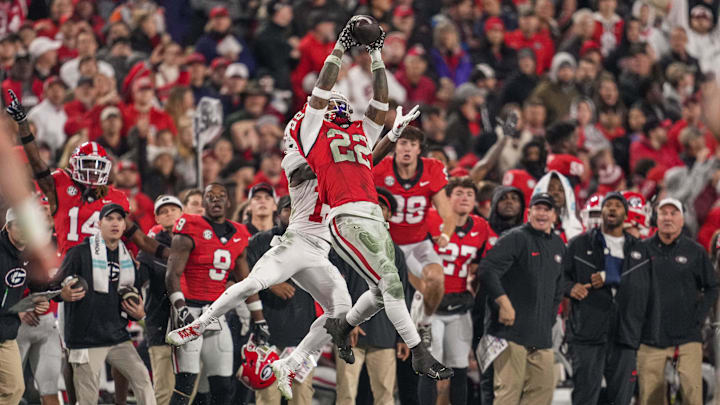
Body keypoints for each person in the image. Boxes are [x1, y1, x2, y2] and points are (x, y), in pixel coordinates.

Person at [285, 16, 451, 379]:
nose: (340, 104)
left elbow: (381, 100)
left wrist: (377, 55)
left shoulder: (359, 133)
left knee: (381, 289)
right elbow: (320, 92)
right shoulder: (312, 133)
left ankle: (343, 325)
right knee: (391, 282)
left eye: (343, 102)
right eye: (335, 102)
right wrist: (341, 46)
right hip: (343, 214)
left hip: (371, 212)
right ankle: (420, 352)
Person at [4, 89, 167, 259]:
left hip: (104, 266)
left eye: (97, 165)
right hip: (69, 265)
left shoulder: (115, 197)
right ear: (75, 165)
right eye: (88, 164)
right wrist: (23, 123)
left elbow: (140, 238)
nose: (93, 170)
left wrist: (169, 254)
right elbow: (37, 162)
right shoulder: (60, 184)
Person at [164, 183, 268, 405]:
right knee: (186, 383)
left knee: (222, 386)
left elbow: (246, 282)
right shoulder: (190, 225)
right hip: (189, 312)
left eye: (221, 196)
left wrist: (260, 320)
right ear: (204, 202)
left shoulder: (239, 233)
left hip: (215, 313)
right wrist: (180, 309)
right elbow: (171, 274)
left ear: (228, 202)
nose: (216, 200)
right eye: (210, 196)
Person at [56, 203, 154, 405]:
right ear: (99, 224)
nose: (116, 223)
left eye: (120, 219)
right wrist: (62, 293)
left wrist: (140, 311)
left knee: (143, 380)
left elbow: (134, 293)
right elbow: (54, 286)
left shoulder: (127, 258)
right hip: (85, 339)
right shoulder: (79, 253)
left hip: (117, 336)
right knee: (87, 400)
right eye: (110, 219)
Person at [563, 192, 651, 405]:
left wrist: (608, 276)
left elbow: (648, 289)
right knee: (585, 397)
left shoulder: (641, 249)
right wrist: (570, 287)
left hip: (625, 334)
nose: (612, 209)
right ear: (601, 211)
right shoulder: (578, 244)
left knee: (621, 399)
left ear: (626, 214)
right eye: (608, 205)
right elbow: (558, 278)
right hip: (588, 333)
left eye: (617, 206)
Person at [479, 192, 566, 405]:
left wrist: (549, 318)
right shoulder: (515, 238)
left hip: (541, 336)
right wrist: (504, 303)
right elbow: (487, 270)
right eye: (537, 208)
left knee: (543, 392)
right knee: (508, 394)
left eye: (547, 209)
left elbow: (559, 287)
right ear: (529, 213)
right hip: (510, 335)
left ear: (555, 216)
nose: (541, 213)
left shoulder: (558, 245)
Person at [372, 125, 455, 344]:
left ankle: (425, 322)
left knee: (436, 279)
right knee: (410, 288)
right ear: (394, 147)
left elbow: (448, 213)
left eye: (413, 144)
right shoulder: (380, 169)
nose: (407, 148)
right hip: (386, 245)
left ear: (420, 149)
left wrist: (445, 236)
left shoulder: (432, 169)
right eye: (402, 143)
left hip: (418, 243)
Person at [333, 186, 412, 405]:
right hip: (351, 334)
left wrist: (401, 336)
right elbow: (334, 287)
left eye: (382, 206)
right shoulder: (344, 244)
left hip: (385, 335)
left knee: (385, 397)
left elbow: (402, 296)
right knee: (346, 396)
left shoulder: (396, 253)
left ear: (389, 215)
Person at [637, 198, 719, 405]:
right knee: (650, 397)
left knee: (692, 393)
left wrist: (698, 317)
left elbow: (711, 286)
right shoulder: (641, 251)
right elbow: (631, 290)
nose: (668, 218)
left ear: (682, 220)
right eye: (663, 213)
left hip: (687, 335)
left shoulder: (695, 251)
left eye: (674, 213)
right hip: (651, 335)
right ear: (656, 218)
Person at [419, 177, 490, 405]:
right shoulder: (430, 218)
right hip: (429, 306)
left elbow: (483, 265)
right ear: (447, 199)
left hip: (459, 306)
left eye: (469, 194)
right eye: (459, 193)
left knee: (459, 368)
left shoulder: (480, 226)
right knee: (430, 368)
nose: (465, 198)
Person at [0, 208, 50, 405]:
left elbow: (40, 286)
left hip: (7, 332)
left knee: (15, 388)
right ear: (8, 226)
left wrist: (43, 299)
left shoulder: (31, 255)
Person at [137, 195, 183, 405]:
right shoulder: (150, 248)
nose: (169, 213)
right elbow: (139, 282)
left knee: (188, 390)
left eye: (173, 209)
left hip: (192, 324)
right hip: (160, 324)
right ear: (156, 218)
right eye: (163, 211)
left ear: (183, 214)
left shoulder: (196, 244)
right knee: (164, 390)